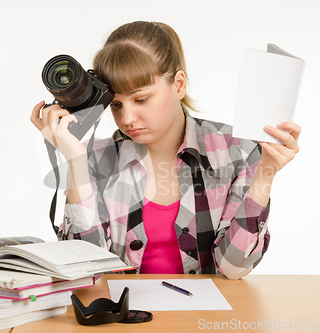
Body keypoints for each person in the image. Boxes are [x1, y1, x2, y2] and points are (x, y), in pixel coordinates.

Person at [30, 21, 301, 279]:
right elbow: (87, 270)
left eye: (141, 99)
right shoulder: (97, 160)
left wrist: (266, 174)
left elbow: (234, 267)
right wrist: (76, 162)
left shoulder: (238, 151)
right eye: (116, 105)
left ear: (179, 85)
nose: (127, 119)